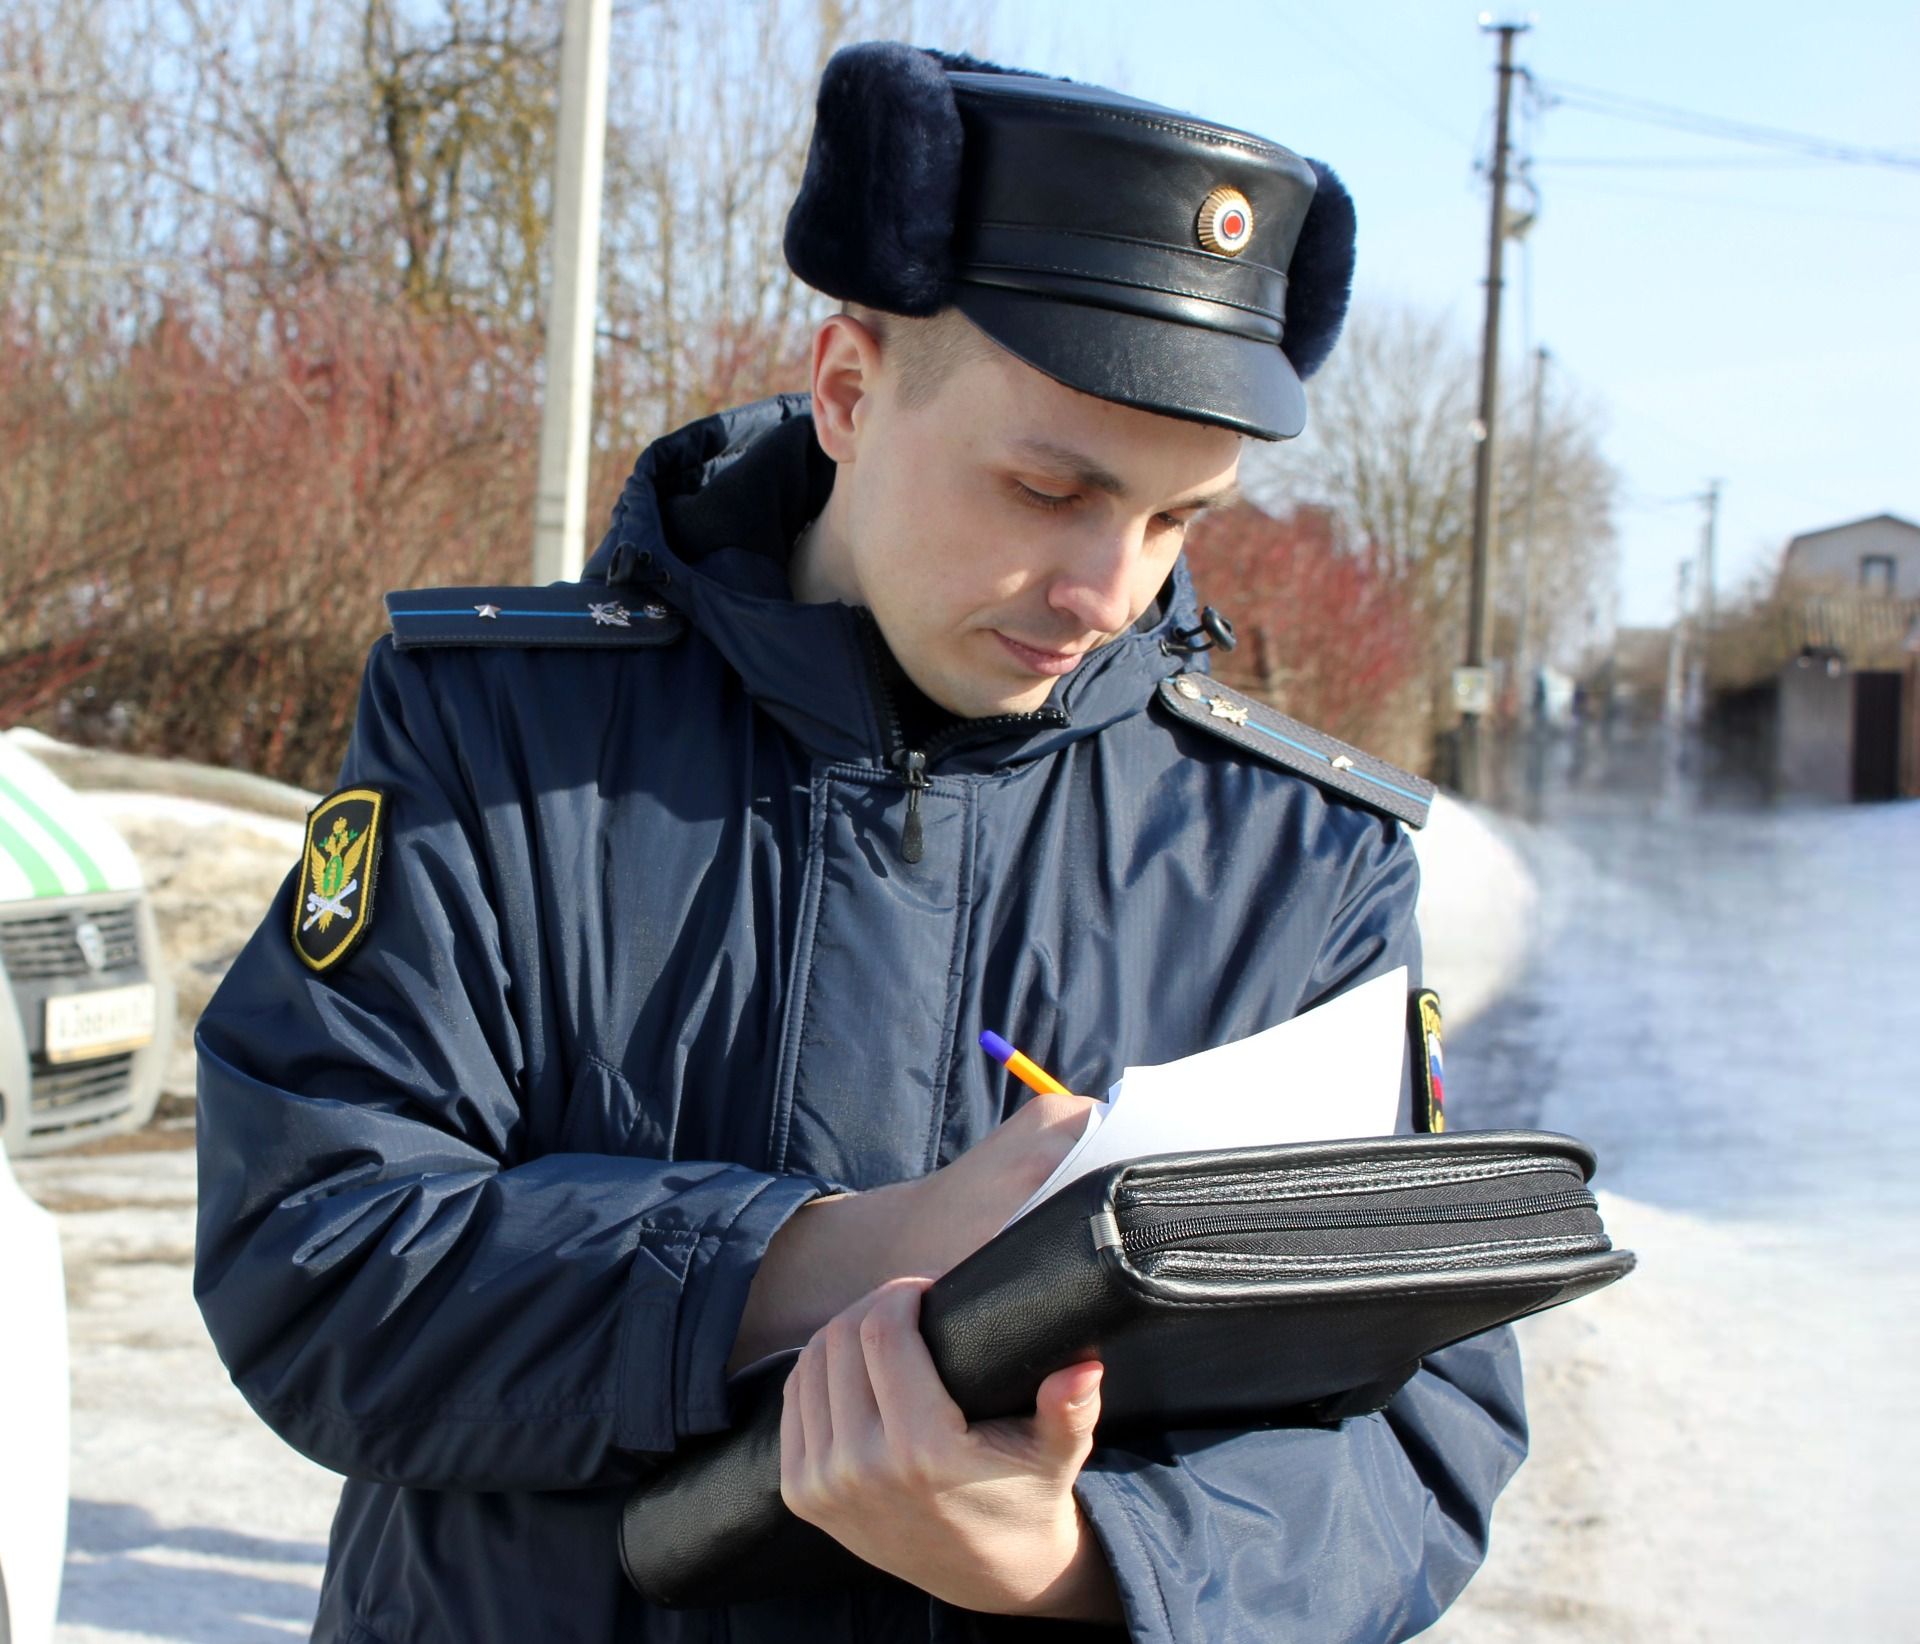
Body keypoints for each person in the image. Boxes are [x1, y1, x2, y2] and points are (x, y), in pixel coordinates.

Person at [194, 43, 1525, 1644]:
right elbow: (315, 1255)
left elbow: (1421, 1426)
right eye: (1048, 486)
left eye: (1180, 520)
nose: (1109, 592)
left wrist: (1086, 1559)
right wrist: (838, 1259)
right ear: (846, 388)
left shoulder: (1296, 856)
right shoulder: (504, 736)